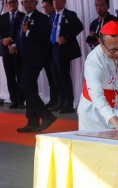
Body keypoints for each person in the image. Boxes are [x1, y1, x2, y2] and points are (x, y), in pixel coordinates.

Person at [77, 21, 118, 134]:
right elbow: (96, 94)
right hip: (94, 114)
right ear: (101, 43)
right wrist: (113, 118)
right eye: (112, 50)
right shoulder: (93, 60)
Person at [16, 0, 56, 133]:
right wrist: (14, 45)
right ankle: (32, 122)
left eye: (30, 2)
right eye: (25, 2)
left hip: (35, 59)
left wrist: (27, 32)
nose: (27, 4)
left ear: (36, 3)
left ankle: (47, 115)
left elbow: (44, 38)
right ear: (22, 3)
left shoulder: (42, 18)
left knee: (25, 86)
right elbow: (20, 37)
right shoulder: (23, 17)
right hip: (23, 58)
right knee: (30, 88)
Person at [49, 0, 83, 114]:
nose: (56, 3)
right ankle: (60, 101)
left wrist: (66, 38)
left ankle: (68, 104)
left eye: (58, 1)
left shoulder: (70, 14)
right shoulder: (51, 15)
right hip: (52, 48)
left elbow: (79, 27)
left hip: (63, 48)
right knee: (55, 76)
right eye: (54, 1)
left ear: (64, 2)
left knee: (63, 76)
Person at [0, 0, 25, 109]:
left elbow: (22, 33)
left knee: (20, 76)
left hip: (19, 51)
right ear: (6, 5)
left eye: (14, 2)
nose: (12, 5)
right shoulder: (2, 17)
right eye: (10, 3)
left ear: (17, 4)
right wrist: (9, 46)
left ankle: (21, 101)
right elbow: (1, 34)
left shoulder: (23, 16)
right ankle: (14, 100)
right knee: (10, 77)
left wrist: (14, 45)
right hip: (6, 51)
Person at [41, 0, 57, 109]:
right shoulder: (43, 18)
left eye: (47, 6)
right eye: (43, 7)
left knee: (56, 78)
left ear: (52, 6)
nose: (45, 9)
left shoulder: (55, 17)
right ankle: (53, 99)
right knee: (51, 79)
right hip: (45, 53)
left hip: (54, 52)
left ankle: (59, 100)